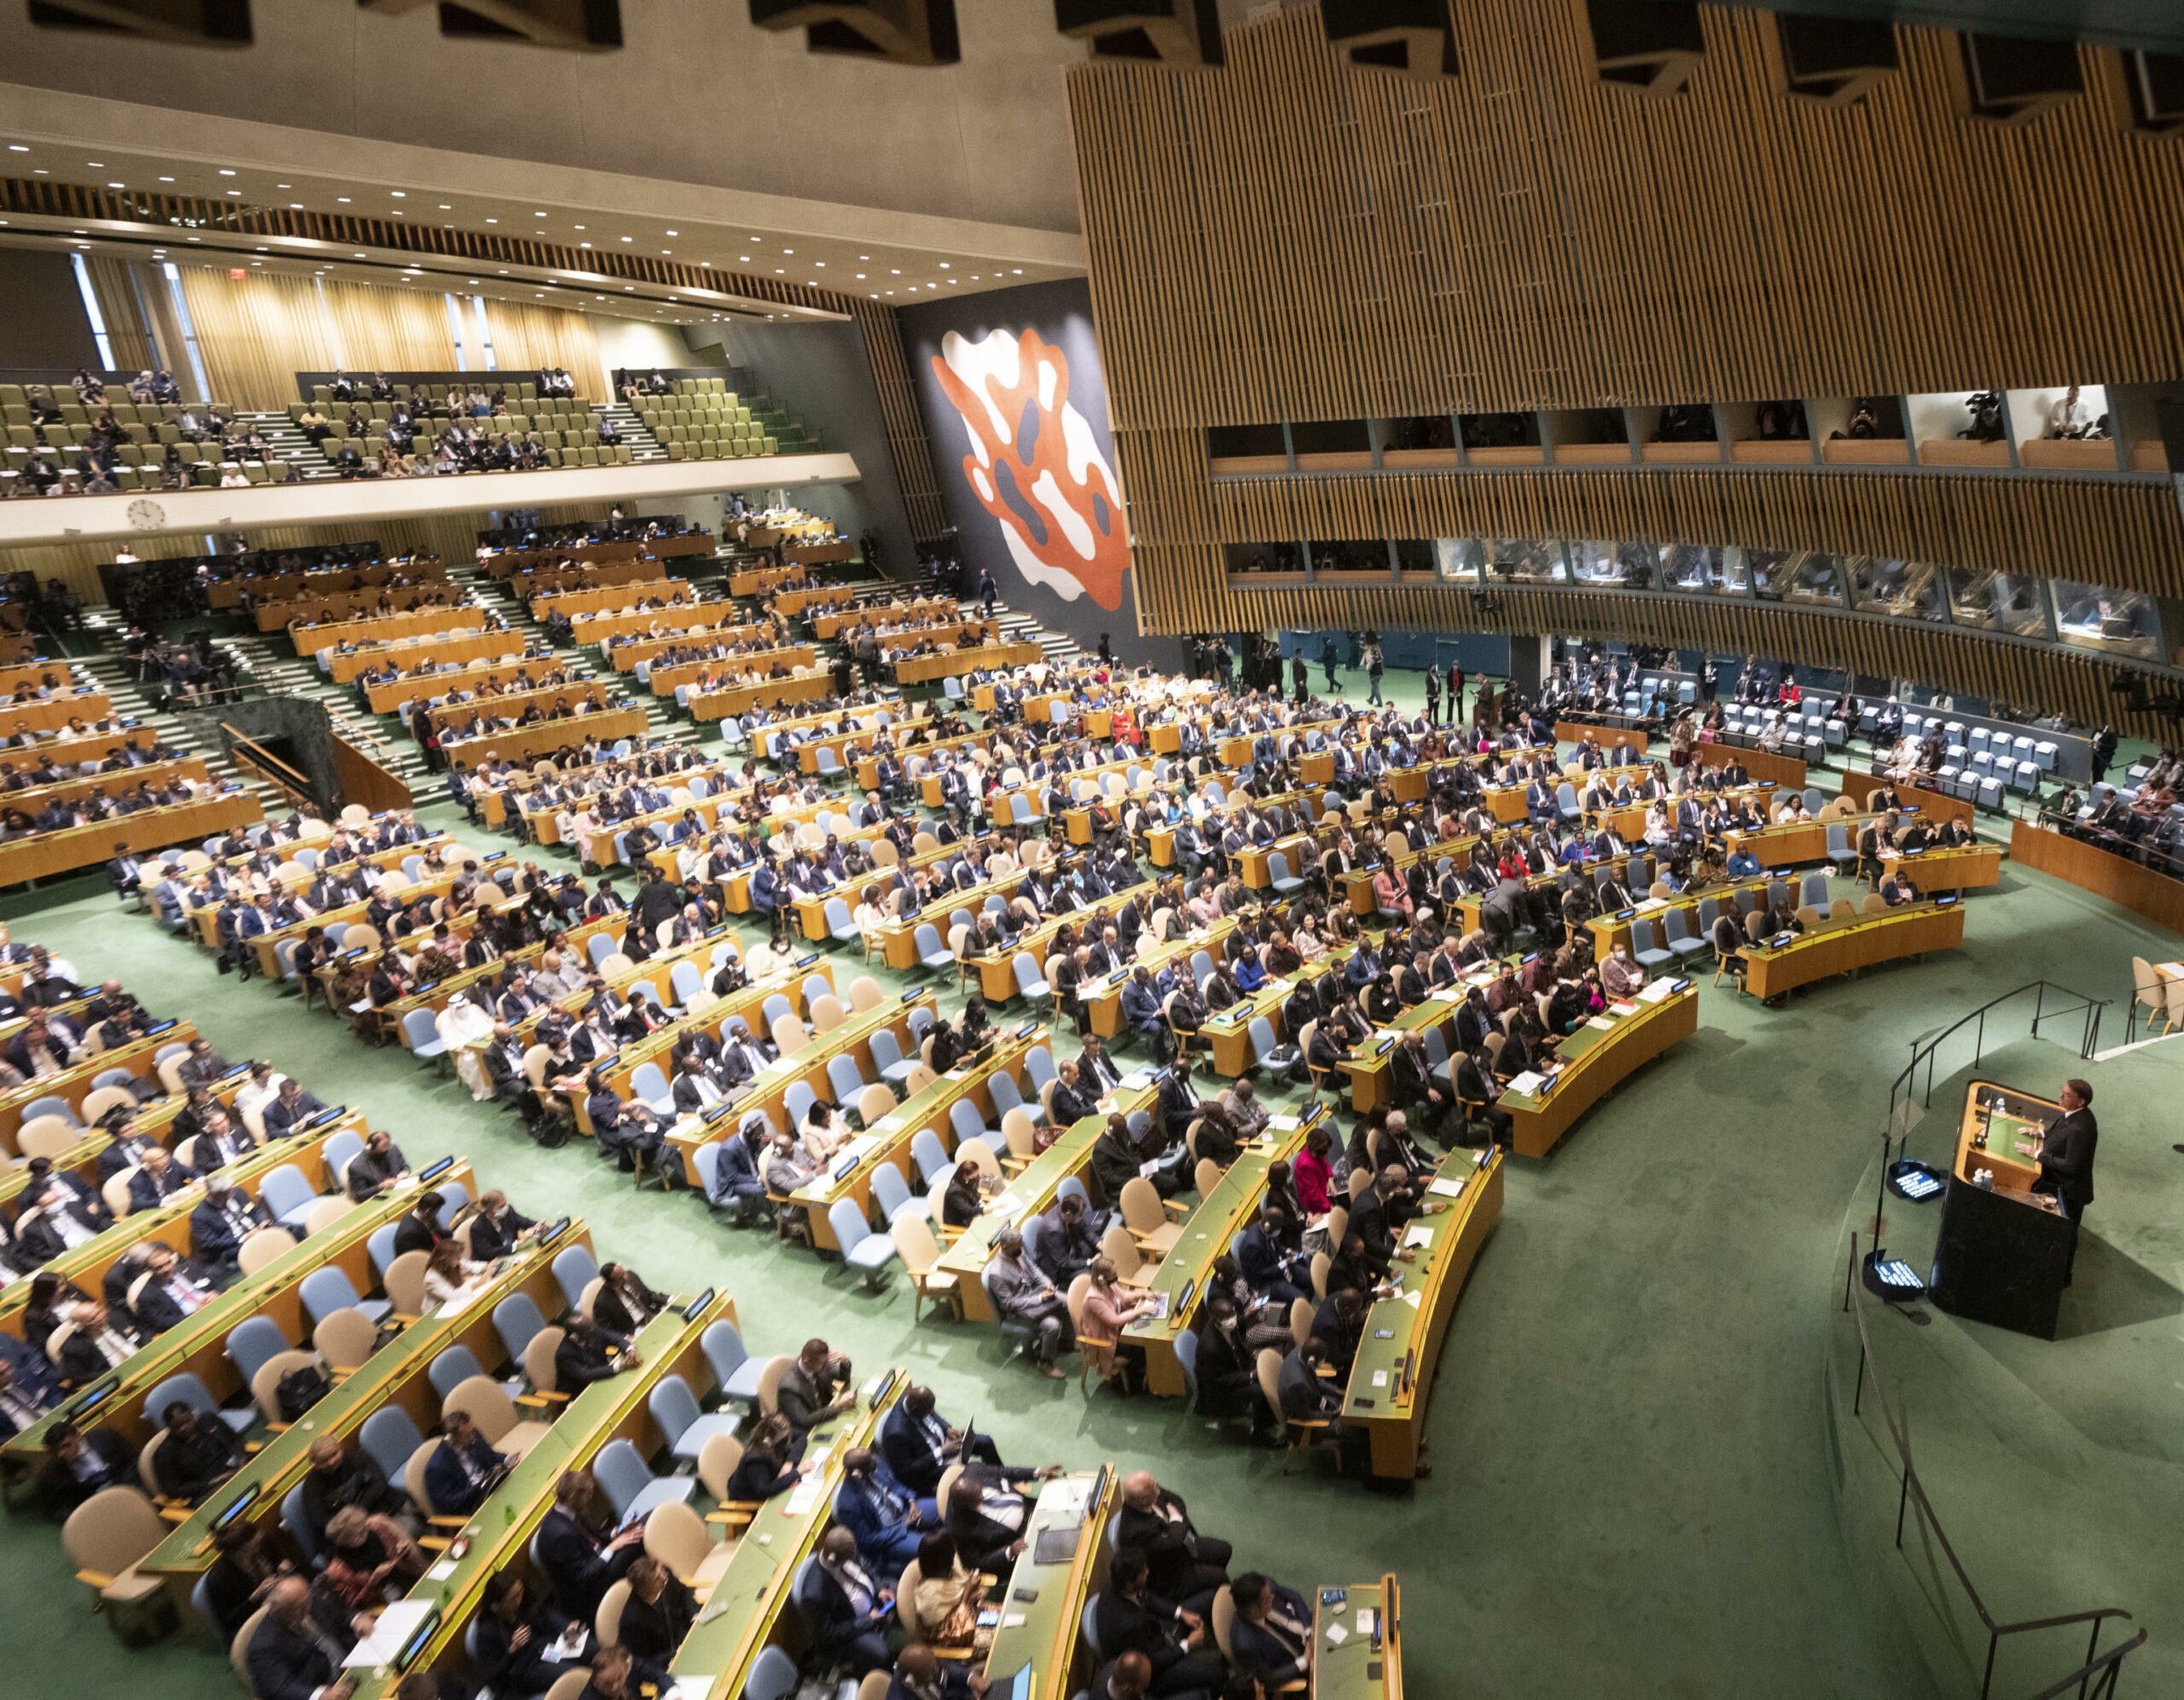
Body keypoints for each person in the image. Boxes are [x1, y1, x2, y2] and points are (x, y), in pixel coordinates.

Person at [1093, 1546, 1228, 1698]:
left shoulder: (1118, 1582)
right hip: (1153, 1670)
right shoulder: (1130, 1626)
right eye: (1143, 1572)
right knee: (1217, 1674)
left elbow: (1147, 1597)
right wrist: (1187, 1644)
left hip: (1153, 1635)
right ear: (1130, 1583)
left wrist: (1181, 1613)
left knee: (1210, 1598)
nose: (1148, 1572)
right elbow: (1151, 1664)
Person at [537, 1466, 646, 1618]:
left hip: (599, 1561)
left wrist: (618, 1531)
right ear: (572, 1497)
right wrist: (614, 1546)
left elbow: (595, 1536)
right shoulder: (560, 1537)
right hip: (593, 1588)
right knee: (638, 1538)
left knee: (643, 1522)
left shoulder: (569, 1511)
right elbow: (583, 1577)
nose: (590, 1497)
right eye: (587, 1494)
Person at [1115, 1472, 1230, 1612]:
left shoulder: (1149, 1492)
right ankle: (1212, 1608)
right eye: (1153, 1486)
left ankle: (1207, 1588)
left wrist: (1177, 1523)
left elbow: (1177, 1500)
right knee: (1220, 1577)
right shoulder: (1137, 1532)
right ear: (1142, 1499)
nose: (1157, 1485)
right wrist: (1175, 1518)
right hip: (1171, 1574)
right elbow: (1172, 1545)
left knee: (1224, 1550)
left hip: (1182, 1545)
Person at [247, 1575, 367, 1700]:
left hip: (356, 1665)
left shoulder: (306, 1598)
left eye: (309, 1598)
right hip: (329, 1688)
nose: (310, 1607)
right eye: (302, 1607)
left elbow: (341, 1614)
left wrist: (357, 1619)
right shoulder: (262, 1646)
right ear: (283, 1611)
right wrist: (318, 1695)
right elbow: (280, 1688)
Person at [878, 1384, 1010, 1497]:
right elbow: (907, 1470)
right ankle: (996, 1495)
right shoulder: (895, 1435)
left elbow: (934, 1415)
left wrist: (948, 1428)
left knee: (985, 1442)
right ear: (914, 1409)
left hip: (944, 1445)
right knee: (968, 1473)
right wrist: (941, 1451)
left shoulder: (913, 1401)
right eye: (927, 1411)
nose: (931, 1413)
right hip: (929, 1469)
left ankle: (1005, 1478)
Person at [802, 1525, 897, 1674]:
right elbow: (830, 1635)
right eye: (849, 1558)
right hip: (851, 1628)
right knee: (882, 1653)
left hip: (872, 1599)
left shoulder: (846, 1548)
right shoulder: (813, 1595)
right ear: (835, 1560)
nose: (854, 1558)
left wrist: (879, 1588)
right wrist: (867, 1620)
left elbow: (868, 1568)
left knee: (899, 1589)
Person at [2033, 1078, 2098, 1280]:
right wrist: (2041, 1134)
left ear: (2081, 1102)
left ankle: (2062, 1277)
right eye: (2062, 1092)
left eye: (2067, 1095)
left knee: (2067, 1234)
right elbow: (2061, 1132)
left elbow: (2071, 1166)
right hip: (2063, 1186)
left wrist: (2037, 1155)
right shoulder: (2074, 1115)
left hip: (2070, 1192)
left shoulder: (2081, 1128)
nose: (2061, 1097)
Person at [989, 1227, 1074, 1378]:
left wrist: (1047, 1283)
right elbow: (1009, 1304)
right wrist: (1040, 1298)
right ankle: (1045, 1363)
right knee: (1052, 1326)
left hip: (1038, 1293)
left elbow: (1034, 1270)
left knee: (1069, 1301)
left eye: (1021, 1245)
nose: (1021, 1249)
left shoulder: (1017, 1252)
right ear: (1005, 1247)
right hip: (1021, 1311)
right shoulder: (996, 1274)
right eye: (1017, 1247)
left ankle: (1065, 1341)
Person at [834, 1446, 934, 1573]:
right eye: (869, 1461)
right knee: (931, 1550)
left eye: (871, 1455)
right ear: (857, 1473)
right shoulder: (847, 1505)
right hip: (890, 1537)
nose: (874, 1459)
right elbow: (868, 1541)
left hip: (906, 1510)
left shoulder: (875, 1465)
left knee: (946, 1505)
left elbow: (896, 1486)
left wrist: (912, 1501)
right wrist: (904, 1527)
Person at [1228, 1572, 1315, 1689]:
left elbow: (1294, 1597)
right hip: (1297, 1664)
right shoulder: (1246, 1646)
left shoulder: (1264, 1587)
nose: (1273, 1597)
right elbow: (1268, 1678)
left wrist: (1309, 1631)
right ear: (1254, 1611)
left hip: (1307, 1629)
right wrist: (1305, 1660)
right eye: (1268, 1599)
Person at [148, 1398, 246, 1501]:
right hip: (207, 1491)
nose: (183, 1428)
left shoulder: (209, 1421)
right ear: (168, 1427)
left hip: (235, 1469)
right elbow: (174, 1490)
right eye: (177, 1427)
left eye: (187, 1421)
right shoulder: (164, 1454)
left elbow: (235, 1439)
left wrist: (241, 1457)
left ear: (192, 1415)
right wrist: (211, 1482)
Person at [422, 1408, 508, 1516]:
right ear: (452, 1440)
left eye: (472, 1430)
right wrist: (480, 1487)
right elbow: (448, 1504)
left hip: (491, 1486)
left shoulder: (471, 1433)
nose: (473, 1437)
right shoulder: (436, 1468)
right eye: (467, 1435)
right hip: (473, 1506)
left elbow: (490, 1455)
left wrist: (506, 1459)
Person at [616, 1555, 696, 1663]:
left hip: (687, 1634)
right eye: (657, 1579)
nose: (664, 1577)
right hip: (670, 1659)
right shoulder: (632, 1622)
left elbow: (683, 1592)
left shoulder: (664, 1575)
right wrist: (678, 1653)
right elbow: (643, 1661)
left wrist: (695, 1617)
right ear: (644, 1590)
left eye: (661, 1571)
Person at [777, 1337, 856, 1436]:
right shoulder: (788, 1387)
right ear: (806, 1362)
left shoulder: (819, 1362)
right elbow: (805, 1420)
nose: (827, 1365)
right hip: (807, 1430)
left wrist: (845, 1362)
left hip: (827, 1412)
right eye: (823, 1364)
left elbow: (844, 1380)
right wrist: (839, 1405)